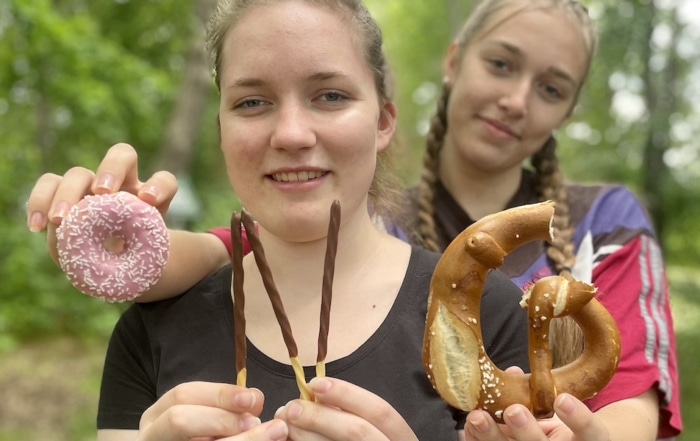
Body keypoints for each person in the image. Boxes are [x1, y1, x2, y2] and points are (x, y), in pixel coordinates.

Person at [27, 0, 682, 440]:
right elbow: (234, 246)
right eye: (251, 101)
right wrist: (121, 249)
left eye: (331, 95)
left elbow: (629, 395)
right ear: (219, 126)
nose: (291, 133)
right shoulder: (152, 329)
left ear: (383, 120)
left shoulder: (495, 312)